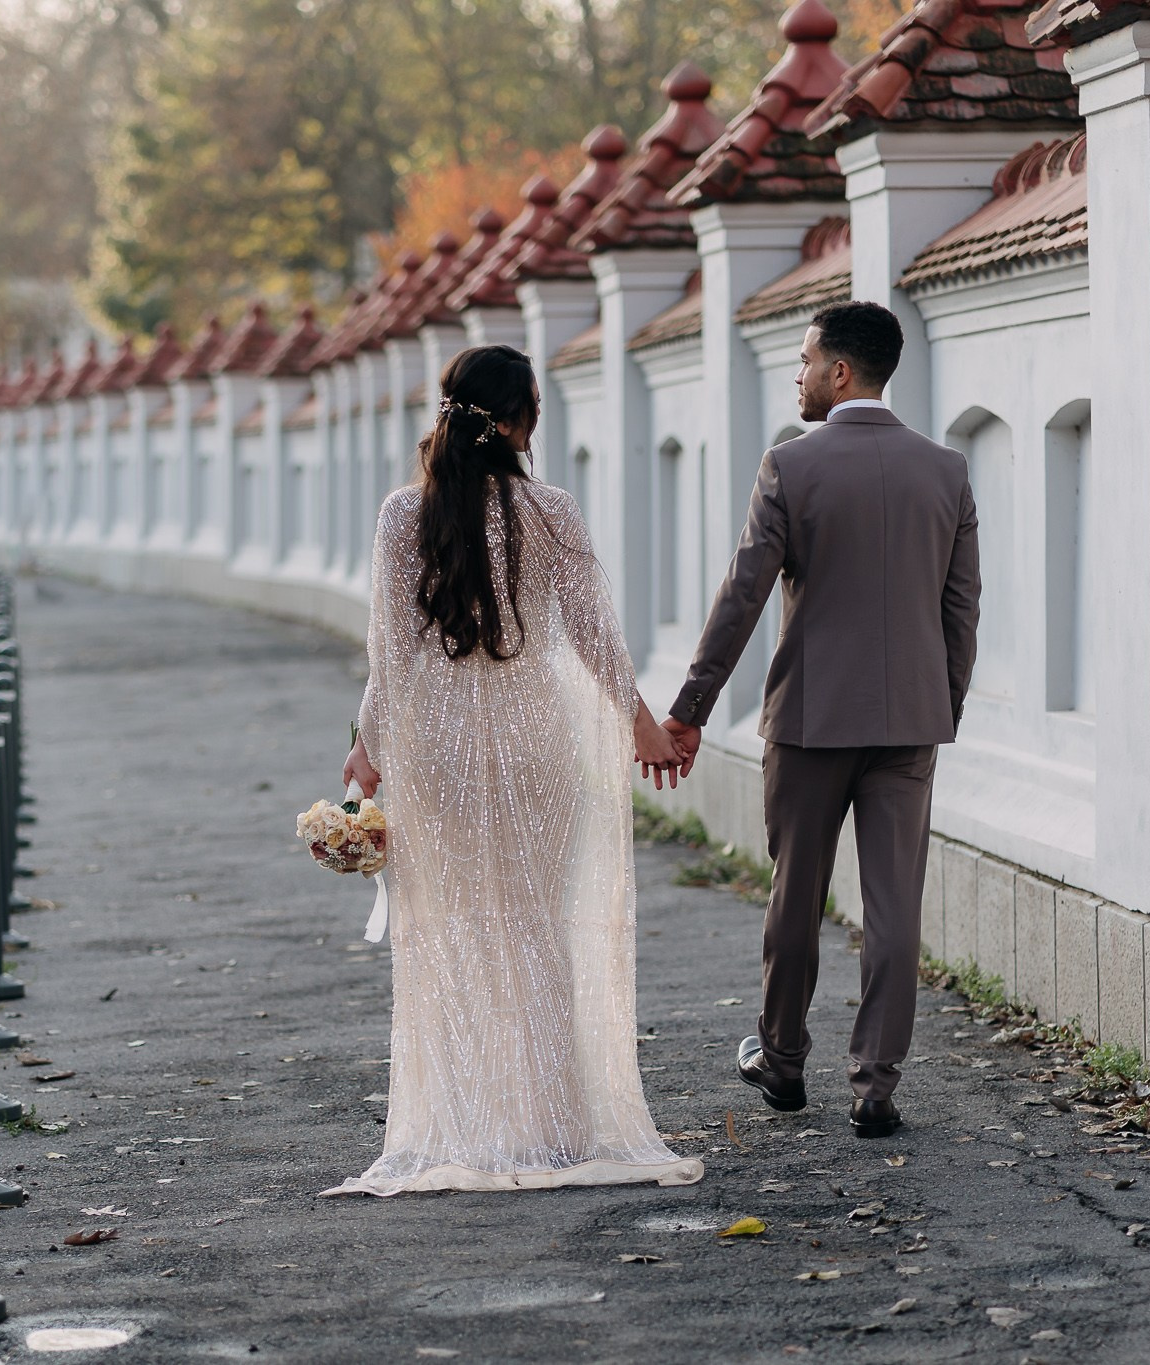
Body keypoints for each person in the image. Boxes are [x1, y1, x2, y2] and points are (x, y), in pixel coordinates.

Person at [325, 344, 704, 1197]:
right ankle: (556, 1126)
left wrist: (366, 746)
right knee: (536, 926)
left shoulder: (400, 517)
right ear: (523, 420)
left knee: (457, 933)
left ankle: (474, 1120)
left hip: (444, 752)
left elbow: (393, 653)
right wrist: (642, 724)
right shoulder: (553, 510)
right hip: (539, 744)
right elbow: (594, 637)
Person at [662, 301, 981, 1140]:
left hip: (808, 722)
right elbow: (961, 608)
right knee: (894, 906)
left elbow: (742, 597)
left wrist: (690, 708)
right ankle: (876, 1085)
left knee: (796, 894)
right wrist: (940, 702)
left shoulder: (790, 468)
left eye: (804, 360)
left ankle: (783, 1057)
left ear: (840, 371)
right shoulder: (945, 472)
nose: (797, 375)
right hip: (911, 721)